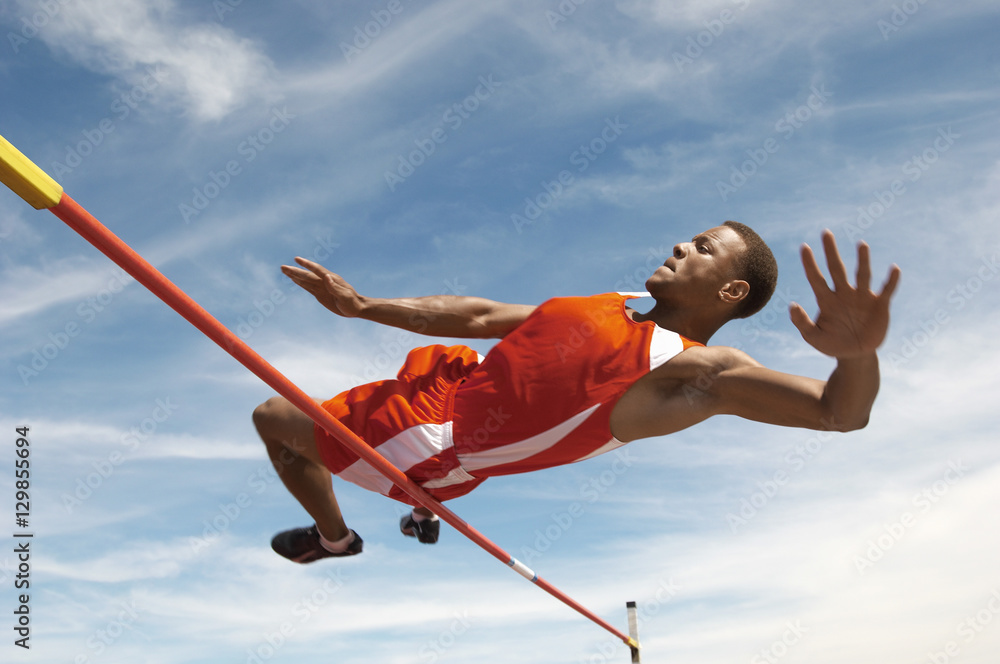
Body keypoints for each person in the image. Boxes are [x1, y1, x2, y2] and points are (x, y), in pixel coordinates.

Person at [253, 221, 900, 563]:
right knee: (459, 353)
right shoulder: (620, 302)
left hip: (432, 444)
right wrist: (364, 306)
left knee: (272, 417)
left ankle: (335, 540)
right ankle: (419, 514)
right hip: (455, 384)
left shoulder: (694, 371)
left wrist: (858, 354)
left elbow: (837, 413)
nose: (680, 242)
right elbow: (481, 317)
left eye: (702, 247)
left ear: (730, 292)